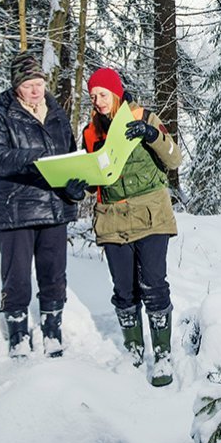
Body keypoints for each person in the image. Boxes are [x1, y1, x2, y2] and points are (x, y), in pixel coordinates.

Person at [0, 51, 88, 358]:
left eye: (39, 82)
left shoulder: (56, 114)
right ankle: (17, 334)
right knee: (15, 276)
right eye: (29, 84)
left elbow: (69, 155)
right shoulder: (0, 115)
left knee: (54, 273)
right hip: (15, 209)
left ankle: (52, 330)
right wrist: (35, 160)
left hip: (54, 209)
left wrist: (73, 188)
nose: (36, 89)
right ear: (17, 87)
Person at [79, 67, 182, 386]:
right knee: (124, 291)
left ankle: (163, 354)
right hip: (112, 221)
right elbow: (94, 175)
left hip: (151, 216)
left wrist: (153, 136)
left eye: (102, 94)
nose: (97, 101)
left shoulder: (143, 116)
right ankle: (135, 349)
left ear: (116, 92)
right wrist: (76, 186)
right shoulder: (90, 133)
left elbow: (175, 159)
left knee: (153, 285)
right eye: (93, 96)